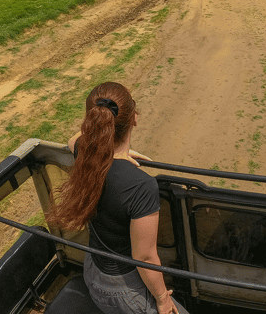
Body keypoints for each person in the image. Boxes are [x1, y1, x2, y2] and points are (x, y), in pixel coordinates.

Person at [48, 82, 186, 314]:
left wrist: (108, 149)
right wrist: (162, 299)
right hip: (122, 289)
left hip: (93, 270)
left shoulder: (85, 152)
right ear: (134, 119)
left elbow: (73, 140)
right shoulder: (141, 185)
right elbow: (145, 256)